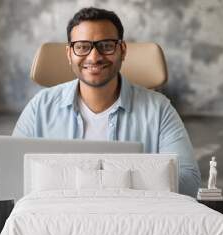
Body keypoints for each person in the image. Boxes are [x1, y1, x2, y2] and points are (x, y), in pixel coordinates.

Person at [12, 7, 201, 197]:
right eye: (82, 46)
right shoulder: (40, 107)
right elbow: (13, 177)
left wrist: (102, 183)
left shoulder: (159, 109)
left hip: (132, 219)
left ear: (123, 50)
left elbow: (188, 181)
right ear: (69, 53)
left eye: (106, 45)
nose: (94, 57)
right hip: (58, 219)